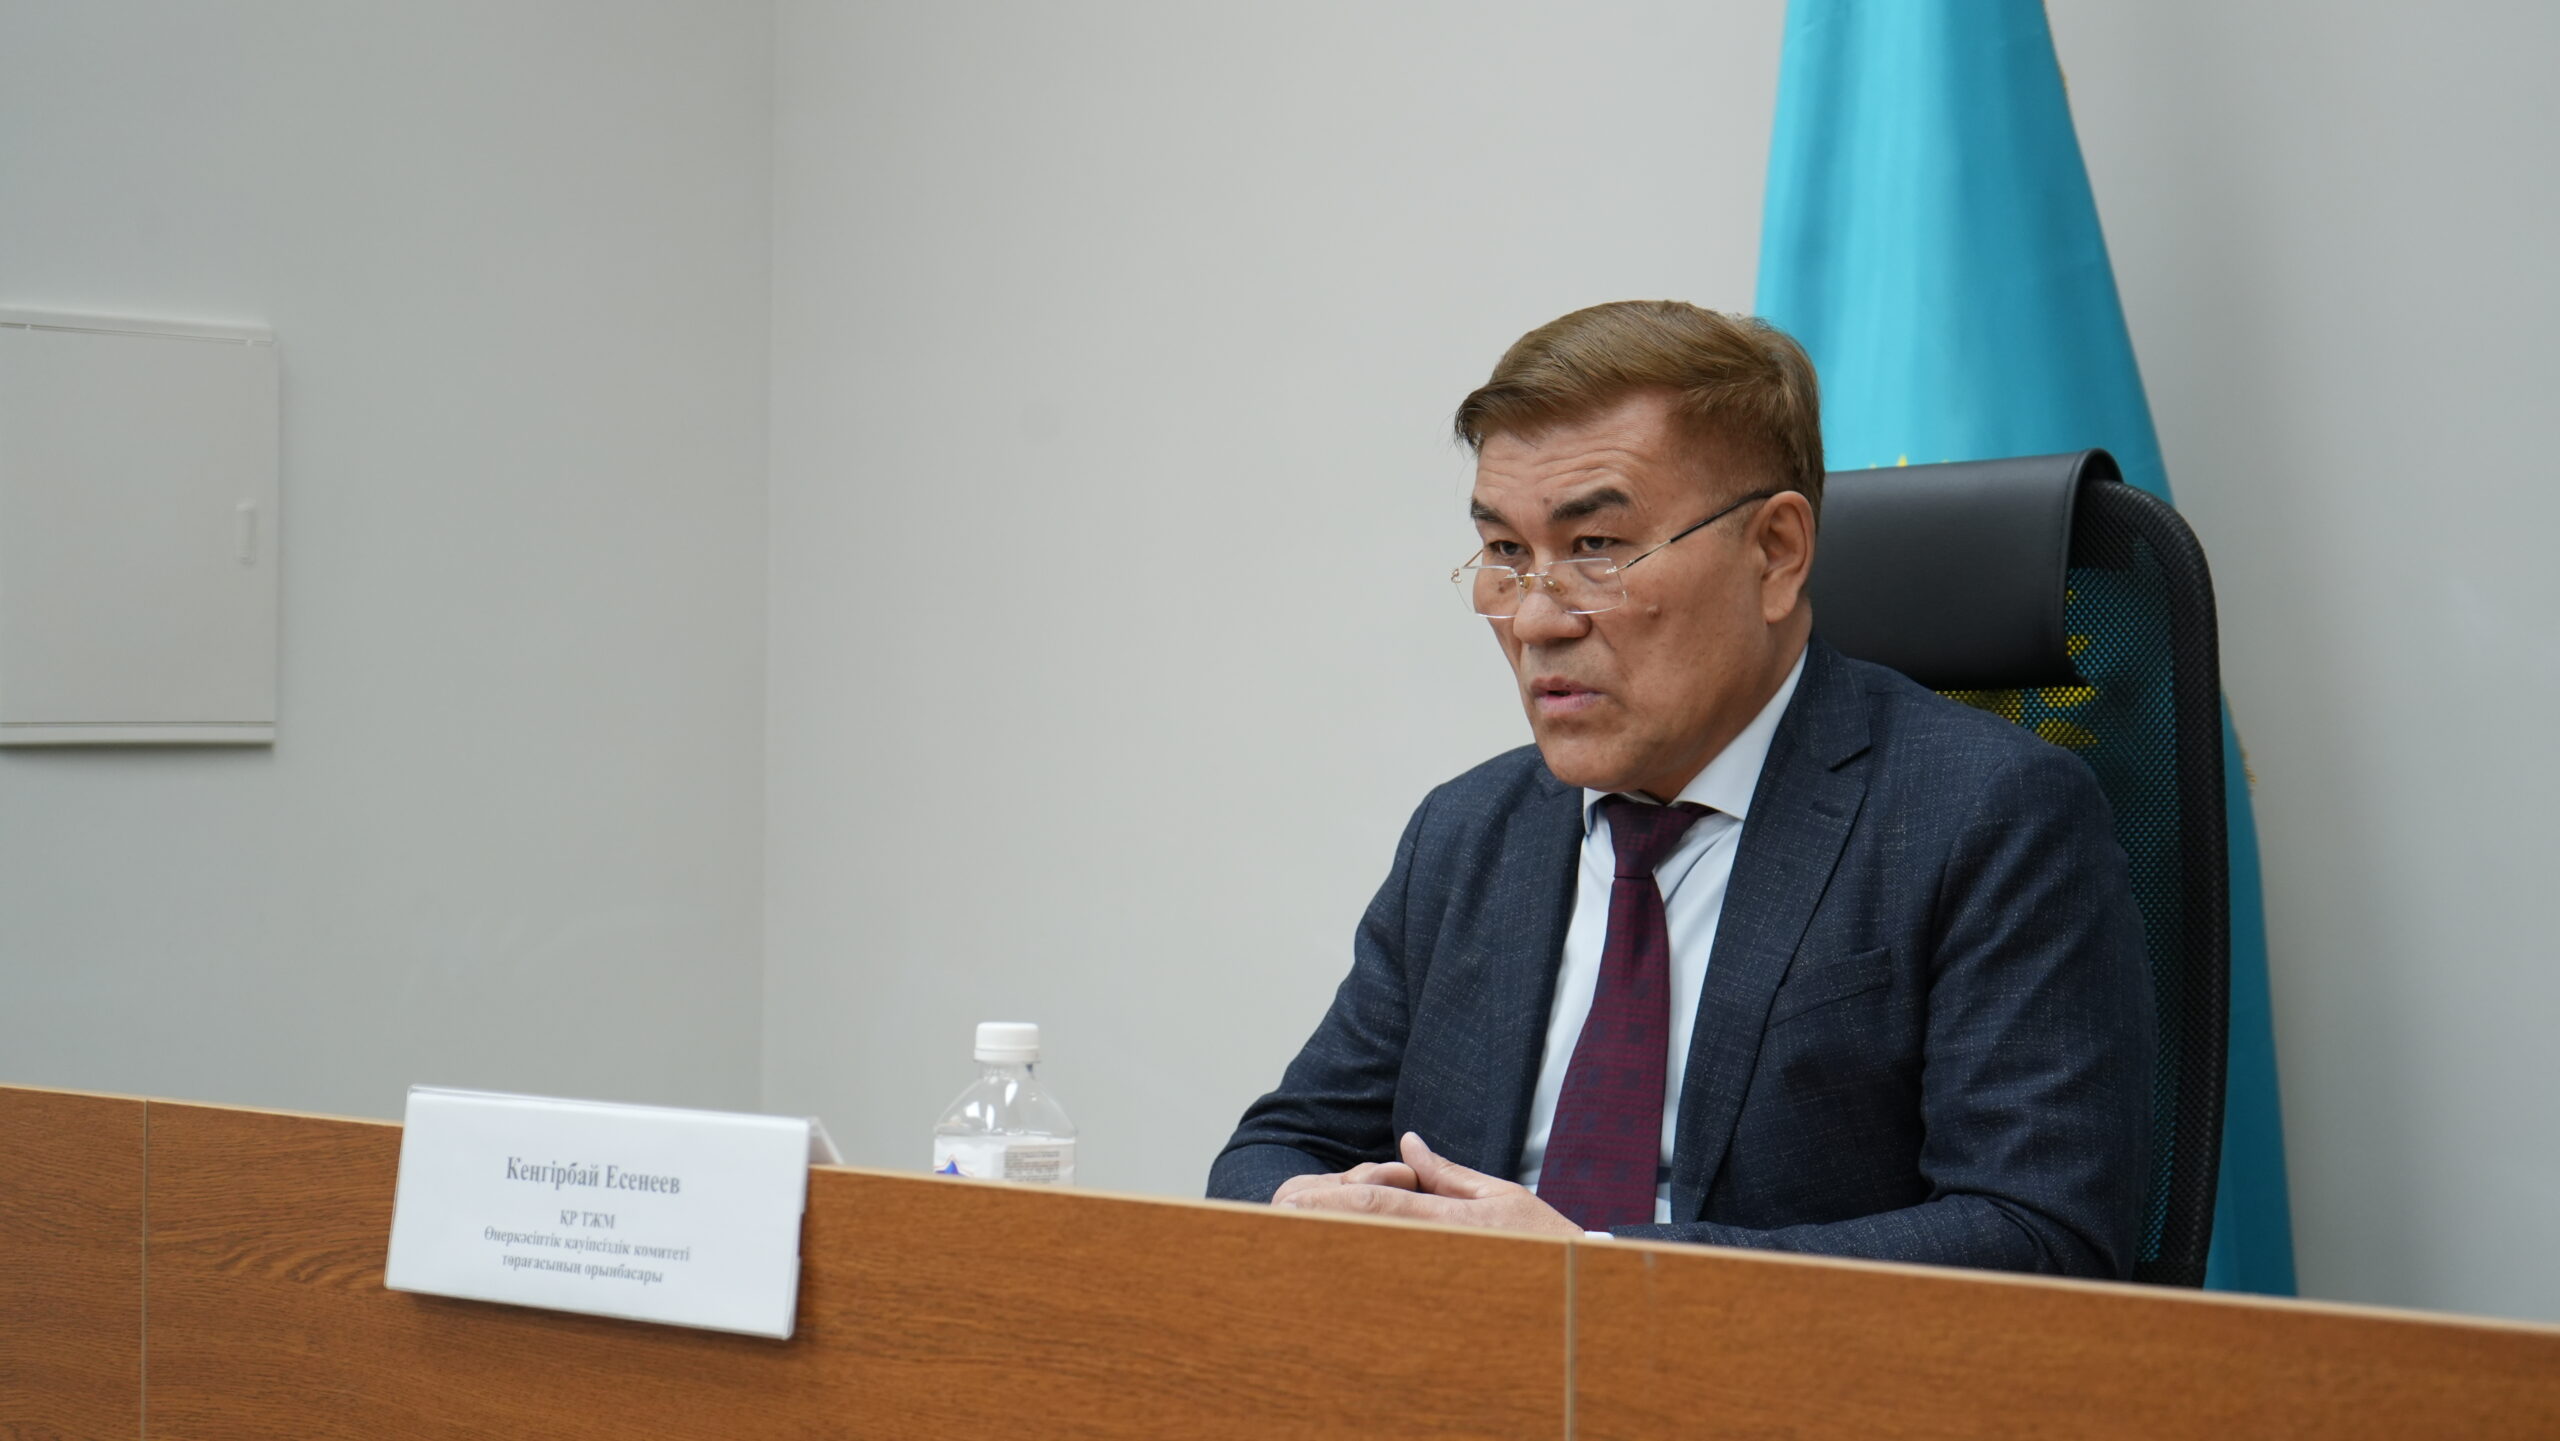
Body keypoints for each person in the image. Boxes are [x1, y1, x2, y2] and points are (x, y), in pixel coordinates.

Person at [1205, 301, 2154, 1277]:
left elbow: (2040, 1238)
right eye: (1505, 553)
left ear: (1775, 552)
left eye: (1596, 547)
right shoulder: (1468, 832)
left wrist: (1597, 1273)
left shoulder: (1986, 816)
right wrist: (1320, 1210)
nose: (1534, 621)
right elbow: (1280, 1148)